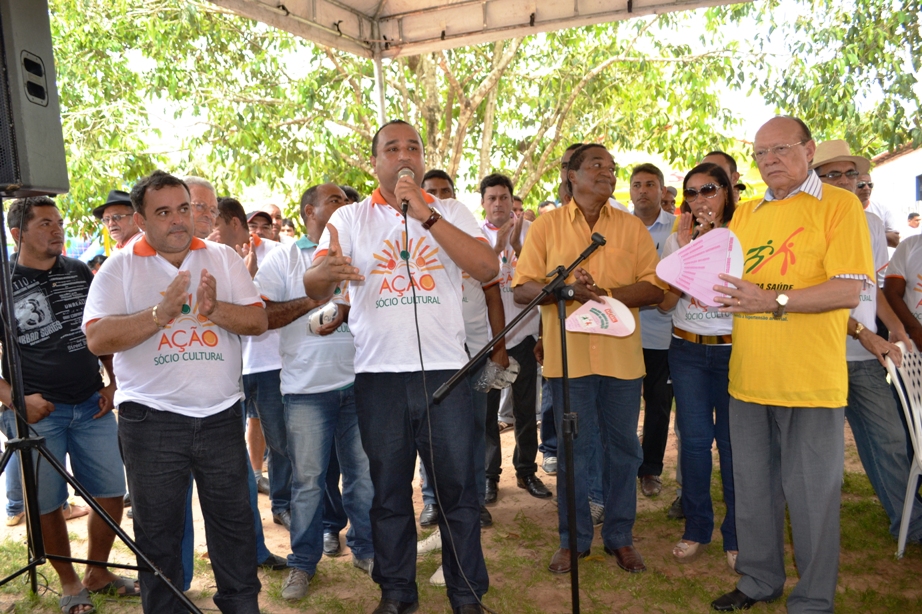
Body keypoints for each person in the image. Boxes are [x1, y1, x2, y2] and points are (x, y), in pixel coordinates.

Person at [303, 120, 497, 614]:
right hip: (380, 378)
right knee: (388, 492)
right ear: (375, 162)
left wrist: (427, 215)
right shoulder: (348, 219)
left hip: (447, 373)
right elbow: (314, 284)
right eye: (392, 148)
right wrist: (323, 273)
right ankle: (396, 593)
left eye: (413, 146)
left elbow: (487, 268)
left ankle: (466, 592)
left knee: (457, 489)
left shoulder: (449, 210)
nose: (404, 153)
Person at [709, 117, 874, 613]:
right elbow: (731, 285)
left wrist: (770, 300)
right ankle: (758, 580)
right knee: (754, 492)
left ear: (809, 149)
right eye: (760, 154)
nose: (769, 160)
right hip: (749, 378)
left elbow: (848, 289)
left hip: (810, 381)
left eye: (779, 149)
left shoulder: (840, 205)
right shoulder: (746, 214)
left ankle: (813, 599)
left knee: (811, 499)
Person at [84, 170, 268, 613]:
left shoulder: (222, 258)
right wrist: (159, 314)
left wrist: (214, 309)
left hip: (222, 416)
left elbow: (257, 322)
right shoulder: (120, 266)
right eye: (163, 212)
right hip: (151, 422)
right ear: (142, 220)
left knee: (234, 525)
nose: (178, 220)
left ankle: (242, 605)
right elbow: (97, 338)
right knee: (158, 534)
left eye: (183, 208)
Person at [513, 143, 665, 575]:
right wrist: (566, 290)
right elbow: (523, 288)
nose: (607, 171)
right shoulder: (546, 227)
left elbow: (655, 289)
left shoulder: (632, 228)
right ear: (571, 175)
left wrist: (606, 296)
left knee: (623, 450)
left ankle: (620, 537)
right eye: (596, 164)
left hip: (621, 362)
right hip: (569, 363)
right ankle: (573, 540)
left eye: (611, 166)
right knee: (575, 449)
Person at [0, 196, 132, 614]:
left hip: (92, 404)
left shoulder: (79, 271)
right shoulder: (2, 280)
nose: (57, 231)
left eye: (58, 223)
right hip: (39, 413)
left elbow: (101, 331)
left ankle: (96, 571)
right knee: (46, 503)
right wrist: (15, 399)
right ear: (17, 234)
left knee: (112, 492)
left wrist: (112, 382)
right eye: (45, 224)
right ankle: (70, 583)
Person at [255, 182, 375, 600]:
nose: (344, 205)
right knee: (307, 482)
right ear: (309, 211)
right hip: (305, 391)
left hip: (360, 383)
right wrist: (313, 295)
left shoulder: (362, 249)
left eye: (347, 200)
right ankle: (303, 564)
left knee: (362, 477)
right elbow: (263, 316)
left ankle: (367, 549)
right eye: (335, 200)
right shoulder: (283, 258)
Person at [810, 140, 922, 546]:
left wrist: (896, 330)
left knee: (891, 439)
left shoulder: (871, 223)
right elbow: (812, 296)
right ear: (816, 179)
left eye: (852, 174)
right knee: (817, 454)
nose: (847, 181)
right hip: (816, 355)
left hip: (863, 353)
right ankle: (812, 530)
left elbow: (873, 290)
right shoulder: (805, 220)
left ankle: (910, 526)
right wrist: (868, 333)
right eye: (834, 174)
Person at [659, 163, 737, 569]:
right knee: (693, 444)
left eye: (709, 189)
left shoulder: (742, 238)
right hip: (687, 351)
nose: (700, 199)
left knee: (731, 445)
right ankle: (696, 528)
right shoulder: (676, 241)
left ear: (727, 190)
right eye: (691, 192)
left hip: (732, 353)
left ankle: (737, 535)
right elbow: (665, 304)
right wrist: (687, 253)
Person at [212, 197, 292, 530]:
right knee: (231, 447)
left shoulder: (280, 253)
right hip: (232, 367)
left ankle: (283, 504)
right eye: (253, 223)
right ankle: (243, 520)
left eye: (263, 224)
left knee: (281, 441)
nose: (257, 230)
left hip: (270, 362)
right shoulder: (213, 256)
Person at [479, 173, 550, 504]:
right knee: (487, 412)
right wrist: (496, 247)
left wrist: (520, 245)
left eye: (503, 197)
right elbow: (479, 279)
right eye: (491, 198)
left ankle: (526, 471)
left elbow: (545, 278)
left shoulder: (533, 233)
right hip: (488, 339)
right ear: (483, 203)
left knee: (525, 410)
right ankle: (489, 476)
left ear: (512, 201)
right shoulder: (474, 236)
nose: (498, 203)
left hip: (523, 334)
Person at [630, 163, 676, 498]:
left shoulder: (678, 230)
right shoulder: (618, 229)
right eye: (637, 184)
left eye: (650, 184)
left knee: (659, 405)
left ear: (662, 190)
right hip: (624, 335)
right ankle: (624, 466)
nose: (643, 190)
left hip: (665, 336)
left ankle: (651, 470)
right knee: (623, 407)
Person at [855, 173, 900, 247]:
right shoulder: (843, 209)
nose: (867, 188)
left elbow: (895, 240)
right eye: (861, 184)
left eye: (870, 184)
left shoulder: (882, 209)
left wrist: (871, 234)